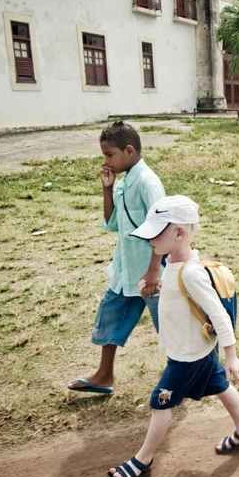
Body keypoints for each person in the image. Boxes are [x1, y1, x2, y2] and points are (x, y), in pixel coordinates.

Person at [106, 195, 239, 477]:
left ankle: (142, 460)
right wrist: (157, 289)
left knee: (160, 403)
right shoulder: (174, 265)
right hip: (192, 350)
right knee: (219, 385)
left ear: (179, 233)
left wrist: (232, 356)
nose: (149, 238)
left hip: (187, 357)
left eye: (156, 232)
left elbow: (219, 316)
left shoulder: (191, 273)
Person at [67, 121, 165, 395]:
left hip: (150, 273)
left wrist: (154, 271)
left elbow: (164, 228)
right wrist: (108, 189)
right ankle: (104, 375)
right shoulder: (124, 181)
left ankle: (182, 378)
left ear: (129, 151)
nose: (105, 161)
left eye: (109, 155)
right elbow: (111, 223)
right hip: (125, 270)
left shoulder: (147, 182)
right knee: (110, 316)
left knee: (168, 328)